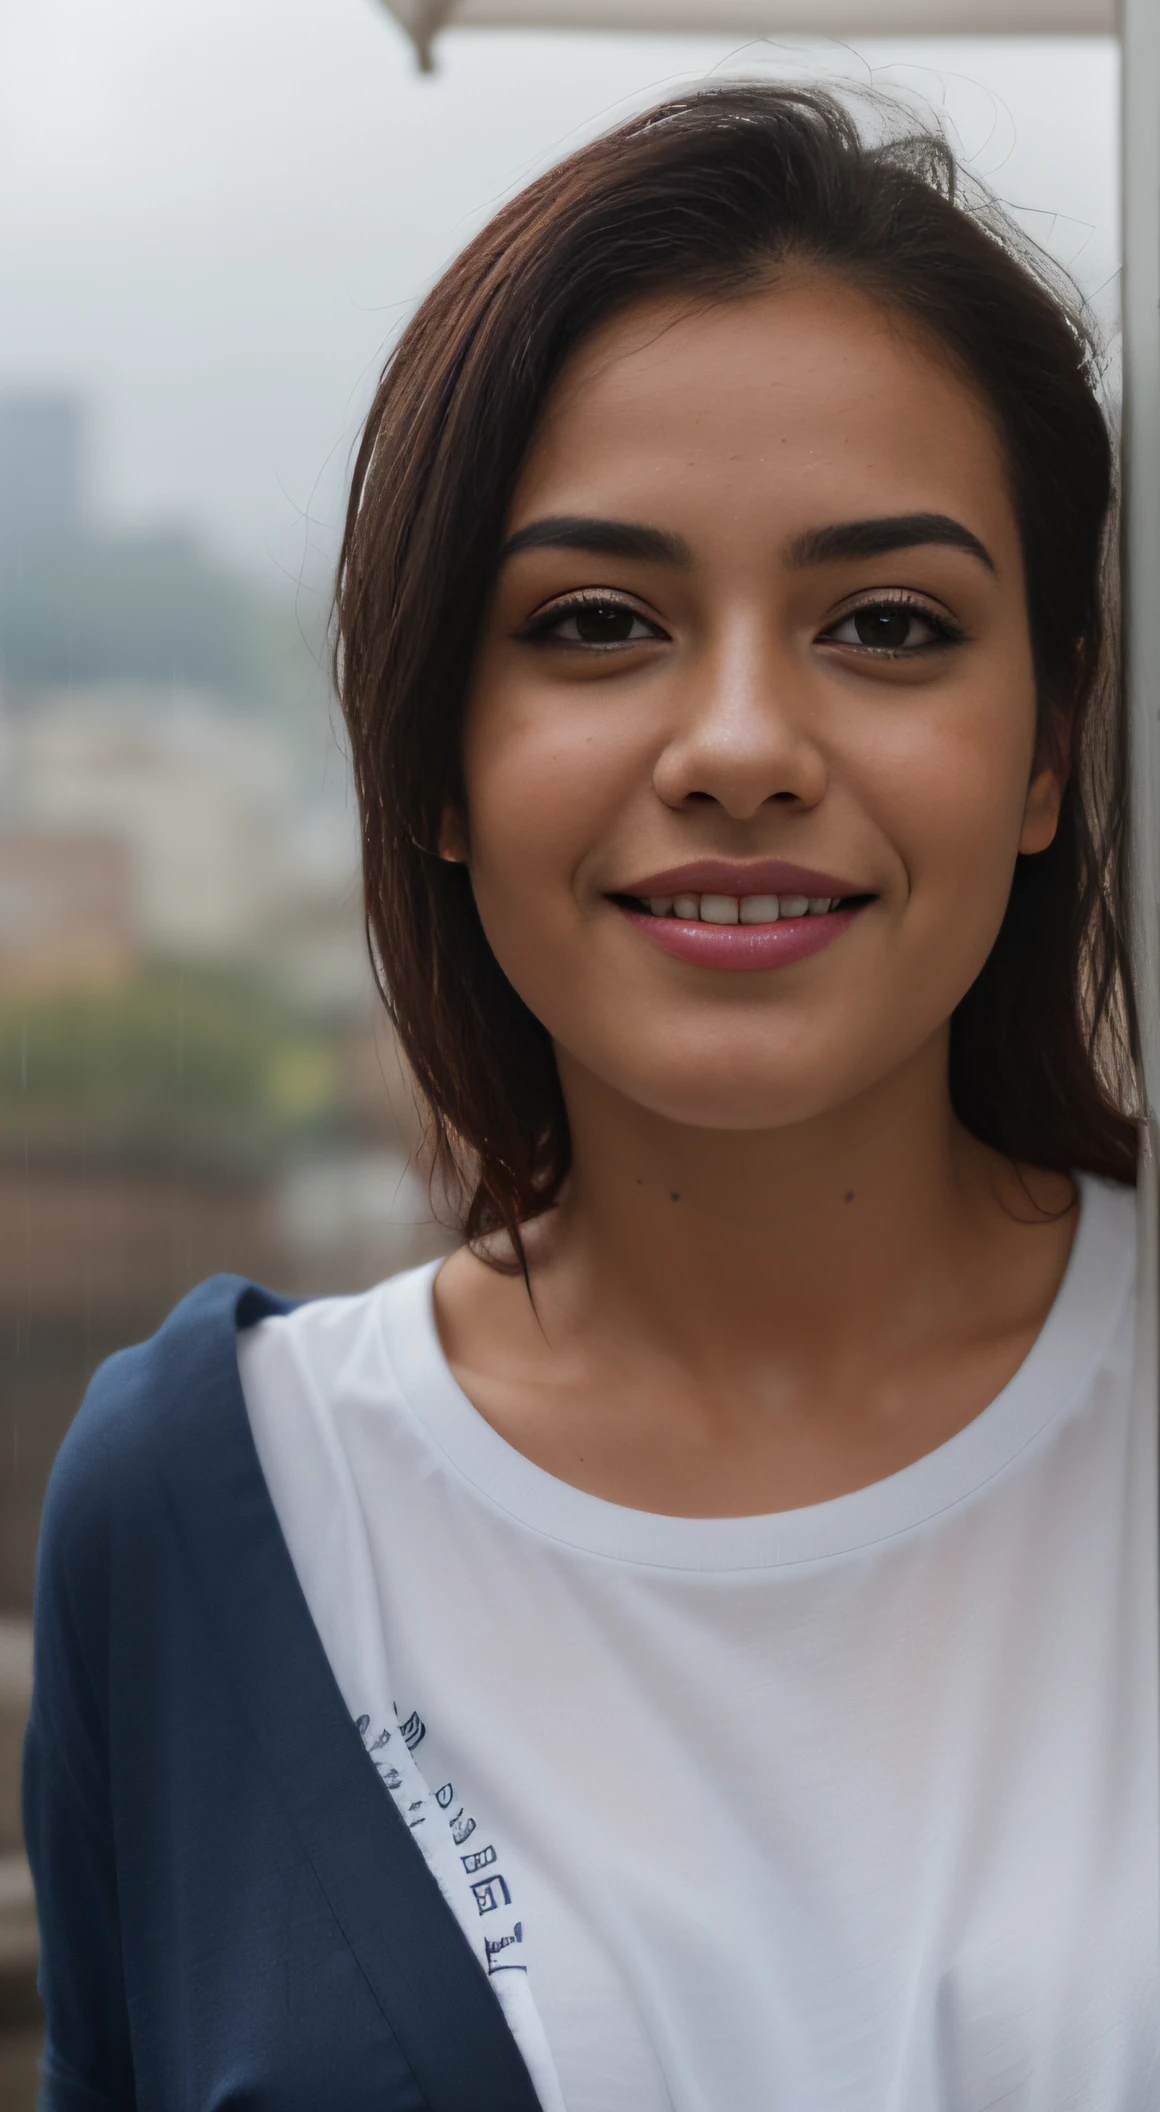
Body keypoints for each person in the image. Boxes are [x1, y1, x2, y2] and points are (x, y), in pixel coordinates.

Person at [23, 81, 1156, 2112]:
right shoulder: (210, 1509)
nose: (738, 743)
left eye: (887, 625)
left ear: (1048, 749)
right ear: (437, 762)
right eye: (594, 624)